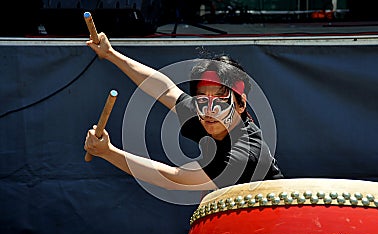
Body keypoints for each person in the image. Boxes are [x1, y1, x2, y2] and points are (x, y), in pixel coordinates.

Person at [84, 32, 283, 191]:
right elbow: (166, 90)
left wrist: (108, 152)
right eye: (202, 98)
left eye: (221, 100)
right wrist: (110, 54)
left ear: (241, 104)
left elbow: (175, 178)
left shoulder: (244, 154)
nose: (210, 110)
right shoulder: (206, 112)